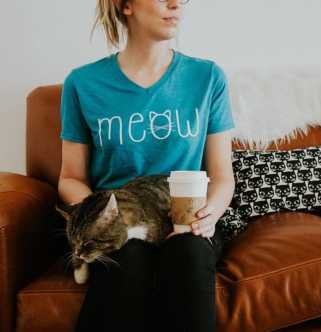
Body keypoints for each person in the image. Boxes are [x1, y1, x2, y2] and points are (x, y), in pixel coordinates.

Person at [57, 0, 236, 331]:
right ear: (126, 5)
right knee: (128, 257)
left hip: (186, 219)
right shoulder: (82, 83)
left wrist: (208, 214)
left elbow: (222, 175)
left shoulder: (207, 77)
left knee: (189, 253)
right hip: (119, 223)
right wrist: (101, 218)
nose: (175, 5)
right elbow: (70, 177)